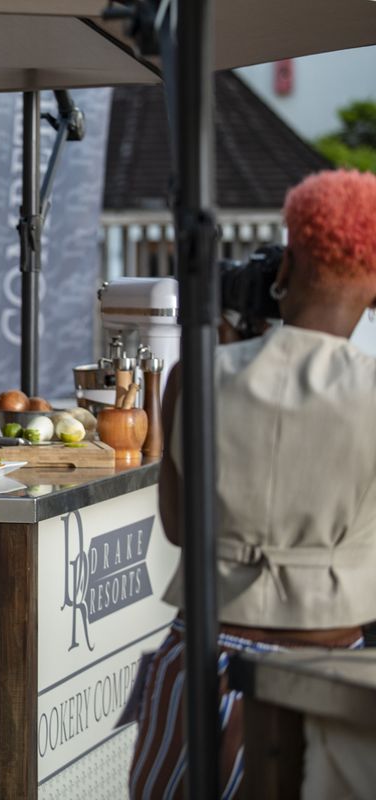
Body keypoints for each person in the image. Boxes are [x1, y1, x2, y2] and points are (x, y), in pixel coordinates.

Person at [128, 169, 376, 799]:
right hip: (331, 676)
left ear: (285, 266)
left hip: (206, 662)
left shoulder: (197, 376)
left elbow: (180, 528)